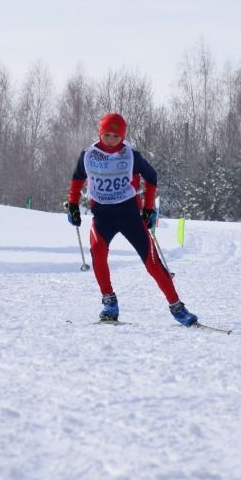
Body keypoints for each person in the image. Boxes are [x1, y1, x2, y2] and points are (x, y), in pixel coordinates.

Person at [64, 112, 198, 326]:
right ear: (100, 133)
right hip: (102, 216)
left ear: (123, 136)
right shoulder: (88, 155)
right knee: (98, 254)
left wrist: (148, 207)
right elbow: (78, 178)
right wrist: (72, 205)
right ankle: (109, 303)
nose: (111, 140)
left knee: (152, 263)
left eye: (116, 136)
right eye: (107, 135)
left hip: (129, 215)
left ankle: (177, 307)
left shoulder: (131, 156)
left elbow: (151, 177)